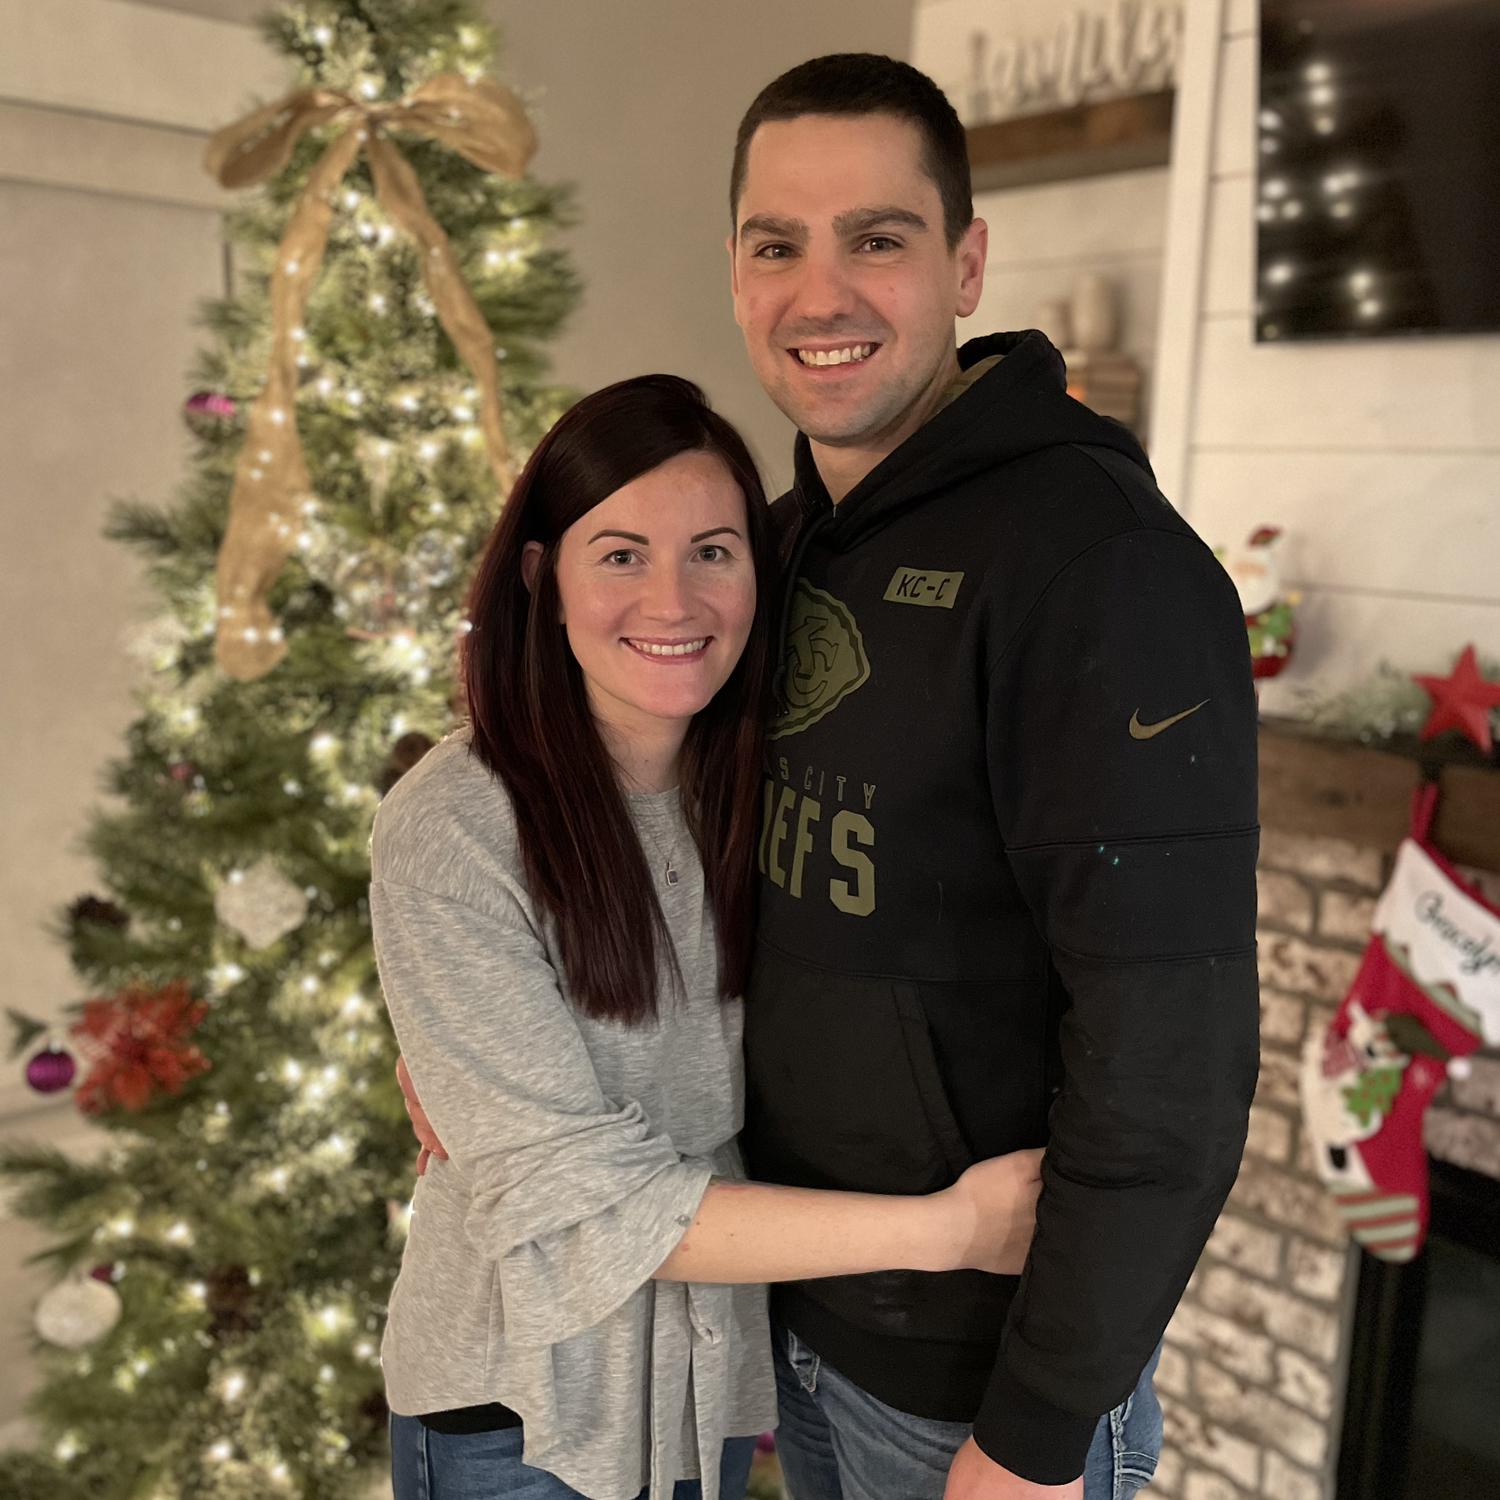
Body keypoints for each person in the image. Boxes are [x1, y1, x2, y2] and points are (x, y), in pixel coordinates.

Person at [401, 52, 1261, 1500]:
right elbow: (639, 847)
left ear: (966, 264)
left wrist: (1037, 1435)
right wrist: (470, 1046)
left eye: (877, 238)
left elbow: (1174, 1049)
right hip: (783, 1341)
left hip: (972, 1389)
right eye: (776, 245)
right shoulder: (784, 550)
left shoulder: (1099, 566)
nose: (822, 294)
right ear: (735, 272)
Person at [372, 374, 1047, 1500]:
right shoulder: (457, 823)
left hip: (709, 1388)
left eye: (713, 553)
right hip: (521, 1414)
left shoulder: (769, 785)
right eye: (621, 554)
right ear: (542, 579)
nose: (673, 601)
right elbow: (585, 1210)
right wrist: (950, 1231)